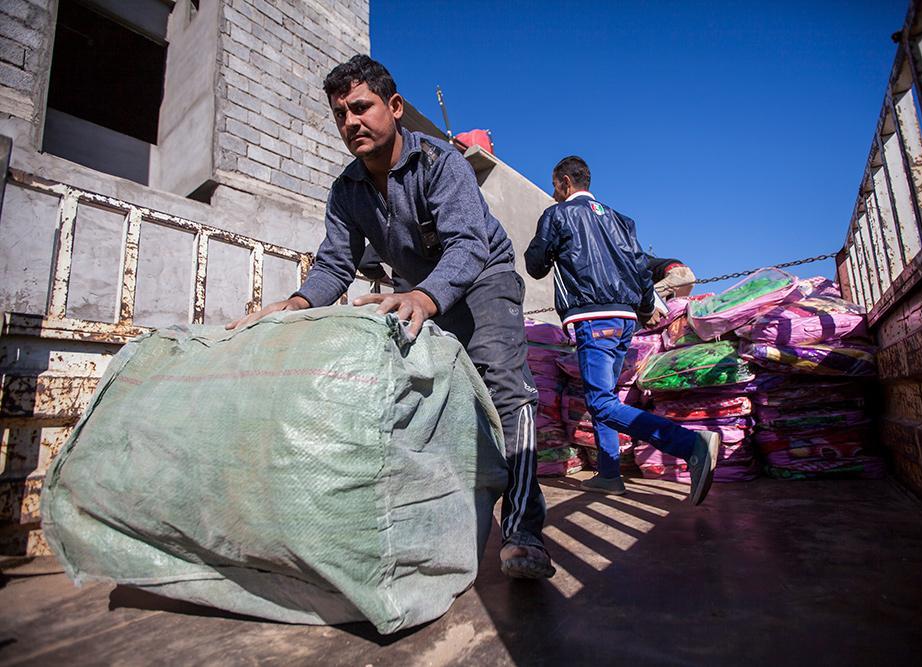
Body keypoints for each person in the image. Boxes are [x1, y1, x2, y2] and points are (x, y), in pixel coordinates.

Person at [227, 55, 554, 579]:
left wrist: (425, 297)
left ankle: (523, 531)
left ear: (394, 106)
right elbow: (335, 264)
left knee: (504, 388)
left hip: (484, 279)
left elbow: (468, 245)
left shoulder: (440, 163)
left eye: (361, 107)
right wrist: (298, 304)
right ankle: (430, 521)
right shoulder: (346, 191)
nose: (351, 122)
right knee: (417, 395)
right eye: (341, 114)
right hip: (417, 291)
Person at [524, 156, 719, 503]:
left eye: (555, 186)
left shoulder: (558, 215)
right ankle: (609, 474)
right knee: (606, 397)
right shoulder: (620, 220)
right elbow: (640, 270)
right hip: (625, 319)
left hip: (592, 317)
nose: (554, 194)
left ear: (566, 183)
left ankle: (691, 445)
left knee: (600, 403)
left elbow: (536, 265)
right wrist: (644, 310)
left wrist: (547, 244)